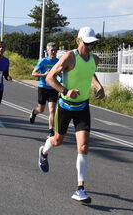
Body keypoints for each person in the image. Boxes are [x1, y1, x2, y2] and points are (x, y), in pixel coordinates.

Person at [38, 27, 105, 203]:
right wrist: (65, 91)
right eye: (87, 43)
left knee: (83, 147)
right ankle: (44, 151)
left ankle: (80, 189)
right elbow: (50, 78)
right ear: (78, 41)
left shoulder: (94, 59)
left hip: (82, 107)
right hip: (65, 106)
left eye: (93, 43)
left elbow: (90, 73)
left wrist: (99, 87)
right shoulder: (69, 57)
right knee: (57, 141)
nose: (90, 47)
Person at [29, 42, 60, 138]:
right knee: (41, 109)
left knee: (52, 110)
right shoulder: (43, 61)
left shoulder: (58, 61)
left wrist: (60, 76)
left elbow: (61, 73)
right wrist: (43, 75)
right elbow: (33, 73)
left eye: (55, 50)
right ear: (47, 51)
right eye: (52, 50)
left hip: (53, 88)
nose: (54, 52)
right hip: (43, 87)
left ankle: (51, 131)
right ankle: (34, 112)